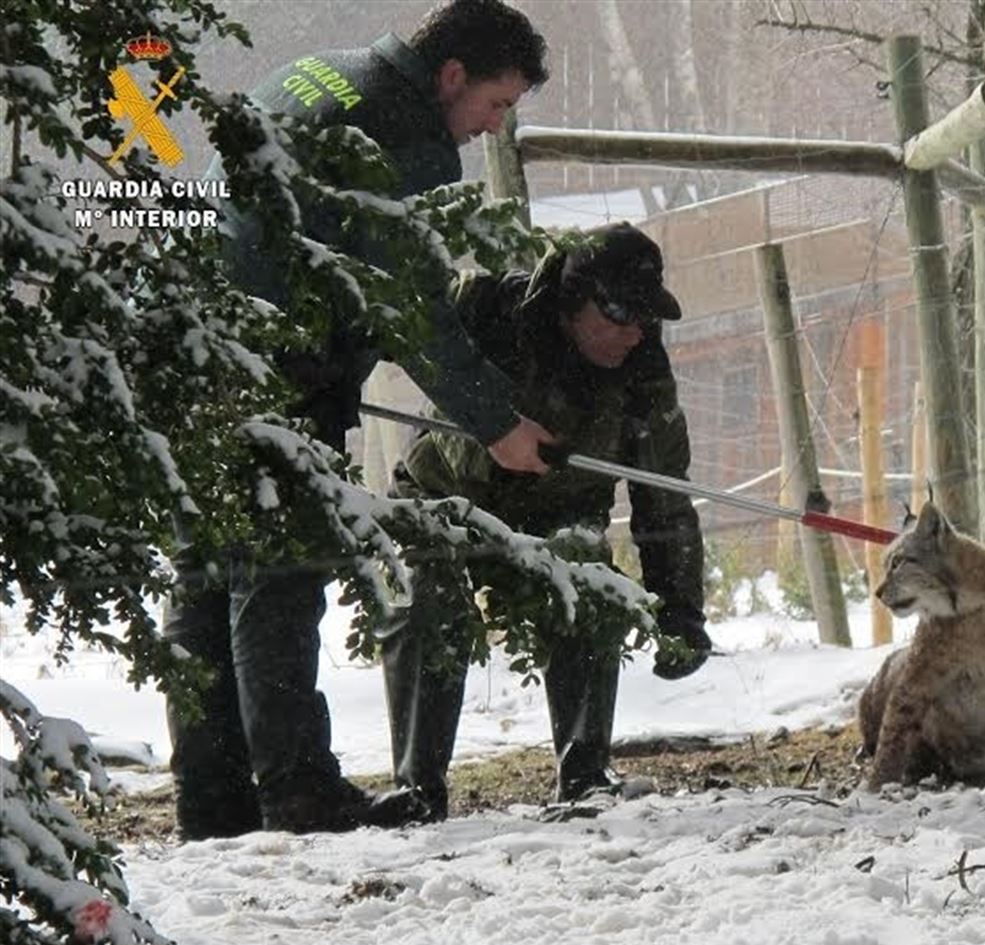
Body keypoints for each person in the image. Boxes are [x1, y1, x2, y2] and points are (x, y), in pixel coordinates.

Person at [165, 0, 553, 839]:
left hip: (189, 338)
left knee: (205, 576)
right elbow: (411, 305)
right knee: (279, 570)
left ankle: (212, 801)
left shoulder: (317, 73)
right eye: (495, 103)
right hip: (275, 360)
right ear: (452, 74)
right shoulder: (403, 134)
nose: (493, 127)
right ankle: (299, 793)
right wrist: (497, 423)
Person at [380, 223, 712, 821]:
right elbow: (403, 322)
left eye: (645, 318)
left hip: (559, 520)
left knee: (591, 587)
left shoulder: (644, 373)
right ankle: (418, 789)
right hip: (443, 503)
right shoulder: (487, 308)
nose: (635, 333)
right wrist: (493, 423)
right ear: (574, 300)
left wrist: (681, 611)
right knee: (427, 604)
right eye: (621, 315)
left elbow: (664, 496)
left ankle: (586, 775)